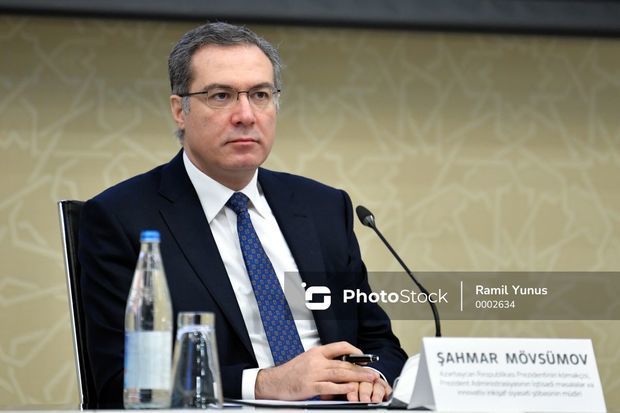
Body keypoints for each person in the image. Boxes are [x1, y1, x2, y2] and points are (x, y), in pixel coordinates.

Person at [79, 21, 407, 408]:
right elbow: (120, 381)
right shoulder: (121, 219)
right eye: (221, 96)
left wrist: (371, 378)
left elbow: (379, 344)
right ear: (179, 110)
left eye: (260, 95)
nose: (246, 115)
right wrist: (266, 383)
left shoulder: (323, 207)